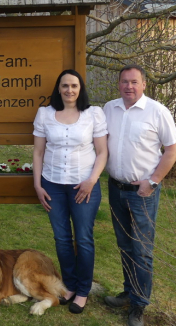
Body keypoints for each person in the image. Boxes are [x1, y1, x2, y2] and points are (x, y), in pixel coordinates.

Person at [103, 65, 176, 326]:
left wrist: (153, 182)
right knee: (124, 245)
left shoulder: (157, 111)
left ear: (144, 84)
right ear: (119, 84)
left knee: (142, 250)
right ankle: (128, 292)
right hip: (116, 188)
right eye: (124, 81)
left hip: (143, 192)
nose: (129, 86)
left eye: (134, 82)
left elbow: (171, 150)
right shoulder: (109, 109)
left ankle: (138, 306)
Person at [32, 69, 108, 314]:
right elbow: (38, 152)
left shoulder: (93, 114)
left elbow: (102, 151)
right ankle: (71, 286)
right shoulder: (45, 114)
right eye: (64, 86)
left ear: (80, 88)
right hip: (53, 184)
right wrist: (37, 184)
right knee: (62, 239)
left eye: (74, 85)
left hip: (83, 185)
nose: (69, 90)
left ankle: (83, 291)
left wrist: (91, 180)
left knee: (83, 239)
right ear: (58, 89)